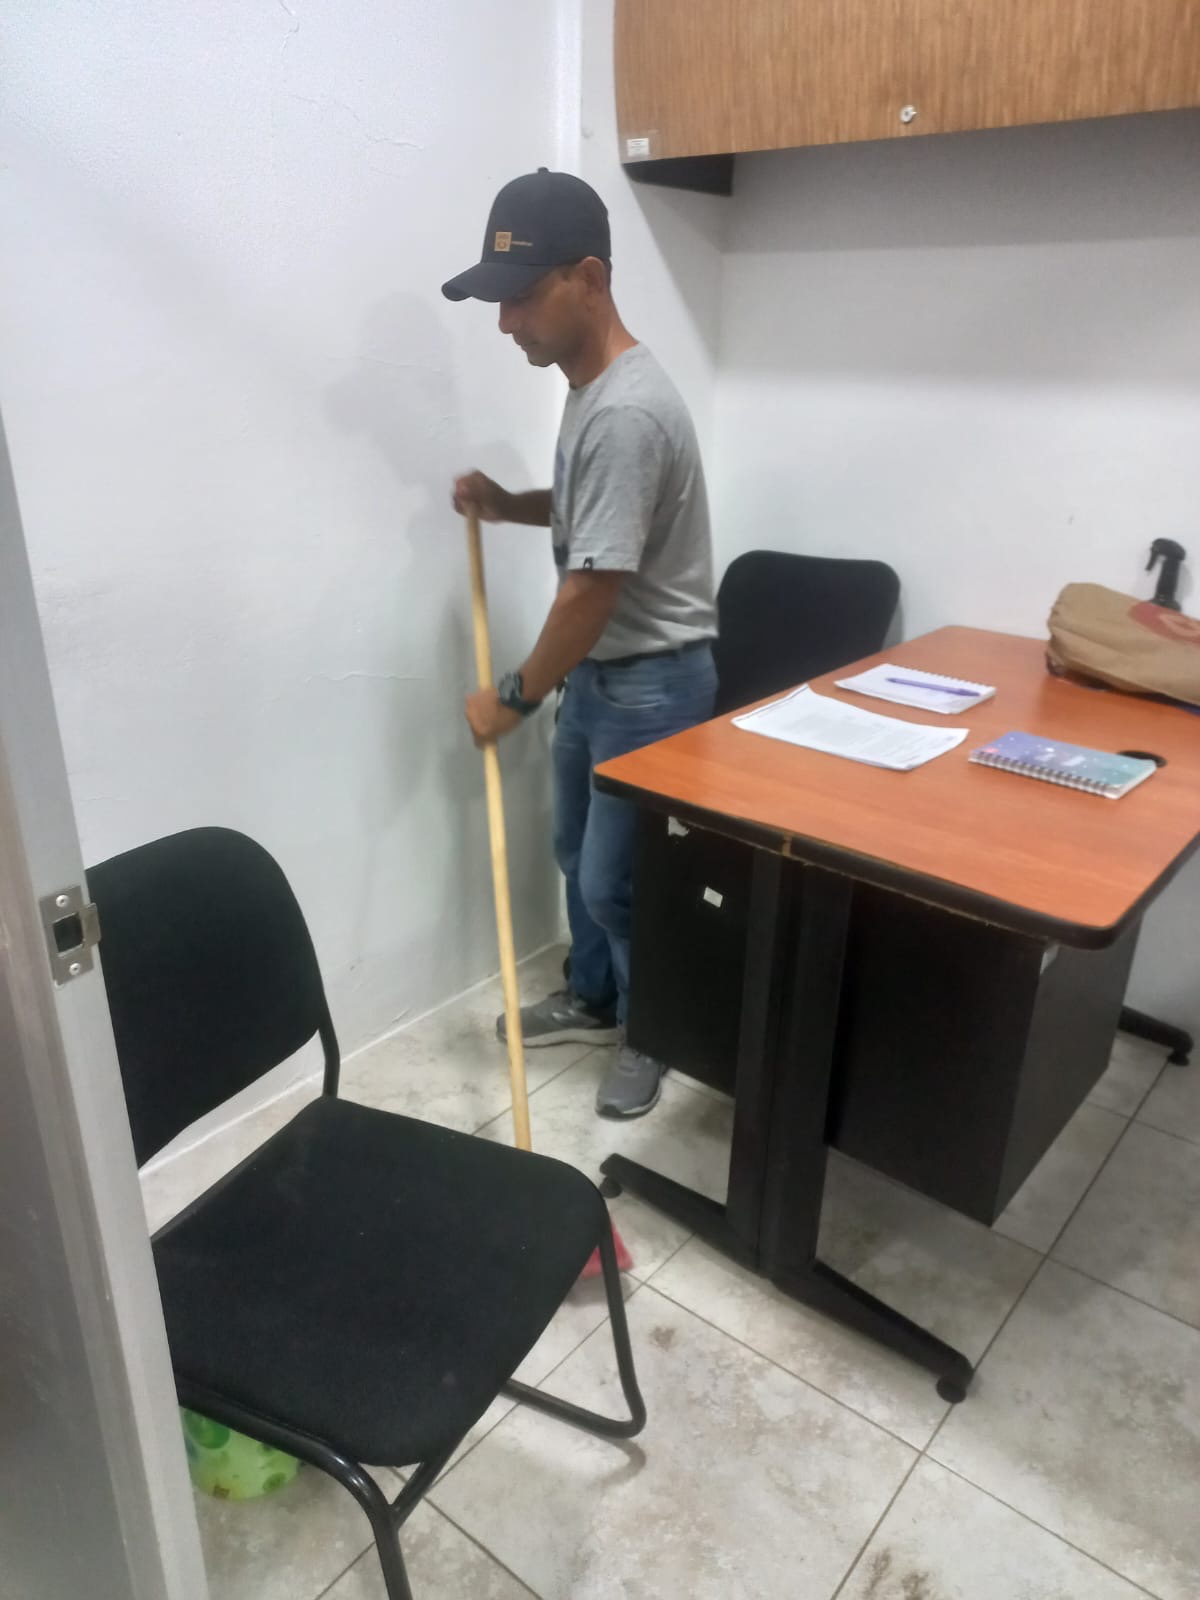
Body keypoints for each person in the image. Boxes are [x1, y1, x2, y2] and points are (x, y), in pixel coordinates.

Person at [442, 167, 717, 1119]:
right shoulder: (594, 390)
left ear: (588, 279)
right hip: (602, 681)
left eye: (520, 297)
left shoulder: (629, 412)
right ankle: (595, 996)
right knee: (574, 853)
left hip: (652, 685)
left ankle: (651, 1030)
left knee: (617, 882)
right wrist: (510, 504)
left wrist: (512, 697)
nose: (505, 322)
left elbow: (592, 593)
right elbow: (595, 509)